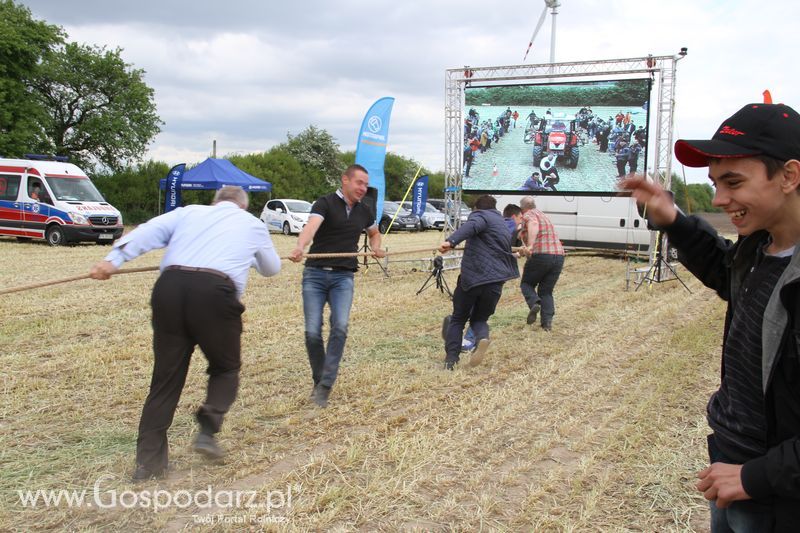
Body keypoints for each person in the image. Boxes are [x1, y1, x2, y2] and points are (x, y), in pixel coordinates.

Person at [620, 102, 800, 532]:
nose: (720, 199)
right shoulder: (759, 248)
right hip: (733, 465)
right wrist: (674, 220)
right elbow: (727, 274)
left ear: (790, 176)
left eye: (733, 182)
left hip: (777, 493)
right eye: (716, 183)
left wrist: (756, 477)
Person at [89, 186, 281, 481]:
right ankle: (208, 427)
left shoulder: (188, 212)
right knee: (225, 367)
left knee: (165, 380)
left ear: (215, 202)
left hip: (170, 288)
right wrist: (248, 256)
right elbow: (271, 268)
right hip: (214, 294)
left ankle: (148, 466)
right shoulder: (252, 224)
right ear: (242, 206)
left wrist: (113, 261)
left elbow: (147, 231)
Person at [288, 164, 385, 408]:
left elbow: (374, 233)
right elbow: (311, 227)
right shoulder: (325, 203)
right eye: (359, 183)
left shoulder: (364, 211)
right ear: (345, 180)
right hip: (315, 275)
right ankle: (319, 379)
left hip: (343, 277)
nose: (363, 188)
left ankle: (326, 385)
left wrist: (375, 247)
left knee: (339, 327)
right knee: (312, 332)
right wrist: (300, 246)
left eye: (365, 184)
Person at [438, 195, 519, 369]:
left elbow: (472, 226)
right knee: (480, 318)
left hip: (474, 278)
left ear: (477, 208)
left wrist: (450, 242)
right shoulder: (503, 224)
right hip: (496, 280)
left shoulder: (481, 216)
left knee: (458, 318)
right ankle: (482, 338)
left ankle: (451, 360)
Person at [518, 196, 564, 331]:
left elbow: (533, 224)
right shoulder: (543, 215)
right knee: (546, 291)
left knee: (526, 284)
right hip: (559, 256)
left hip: (541, 255)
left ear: (523, 208)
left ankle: (534, 302)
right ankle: (547, 324)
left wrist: (531, 245)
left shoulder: (529, 215)